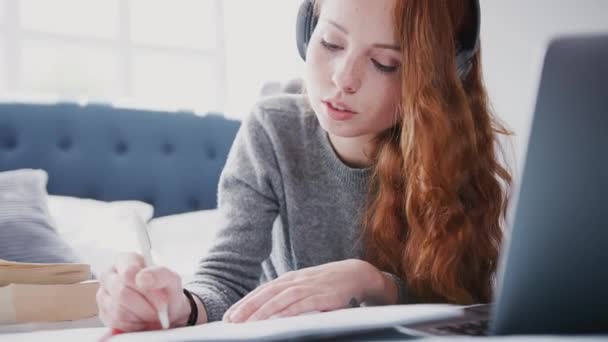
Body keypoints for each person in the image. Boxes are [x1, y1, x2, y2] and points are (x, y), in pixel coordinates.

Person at [96, 0, 512, 331]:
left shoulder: (453, 150)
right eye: (331, 43)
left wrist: (373, 283)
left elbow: (467, 304)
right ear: (307, 34)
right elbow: (224, 280)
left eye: (385, 63)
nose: (343, 78)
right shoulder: (273, 131)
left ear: (440, 79)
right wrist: (179, 306)